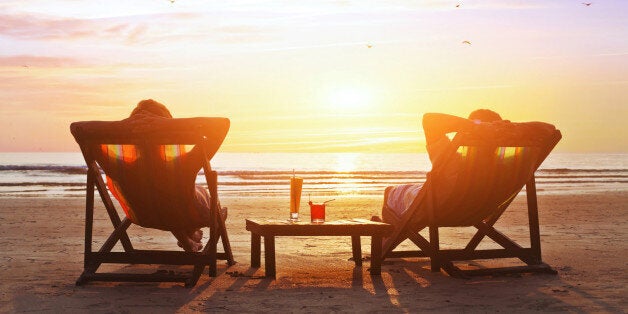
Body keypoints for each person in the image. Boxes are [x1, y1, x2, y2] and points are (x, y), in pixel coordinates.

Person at [102, 99, 214, 252]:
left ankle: (188, 238)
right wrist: (164, 125)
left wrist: (126, 126)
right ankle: (190, 232)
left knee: (166, 198)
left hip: (144, 215)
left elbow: (77, 128)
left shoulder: (121, 167)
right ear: (170, 131)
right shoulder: (183, 165)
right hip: (184, 214)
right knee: (193, 194)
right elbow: (223, 125)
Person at [378, 109, 503, 219]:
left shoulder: (453, 161)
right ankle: (388, 233)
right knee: (415, 192)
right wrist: (501, 129)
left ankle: (385, 238)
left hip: (439, 207)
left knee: (390, 192)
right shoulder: (503, 165)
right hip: (478, 211)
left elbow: (429, 119)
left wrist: (477, 126)